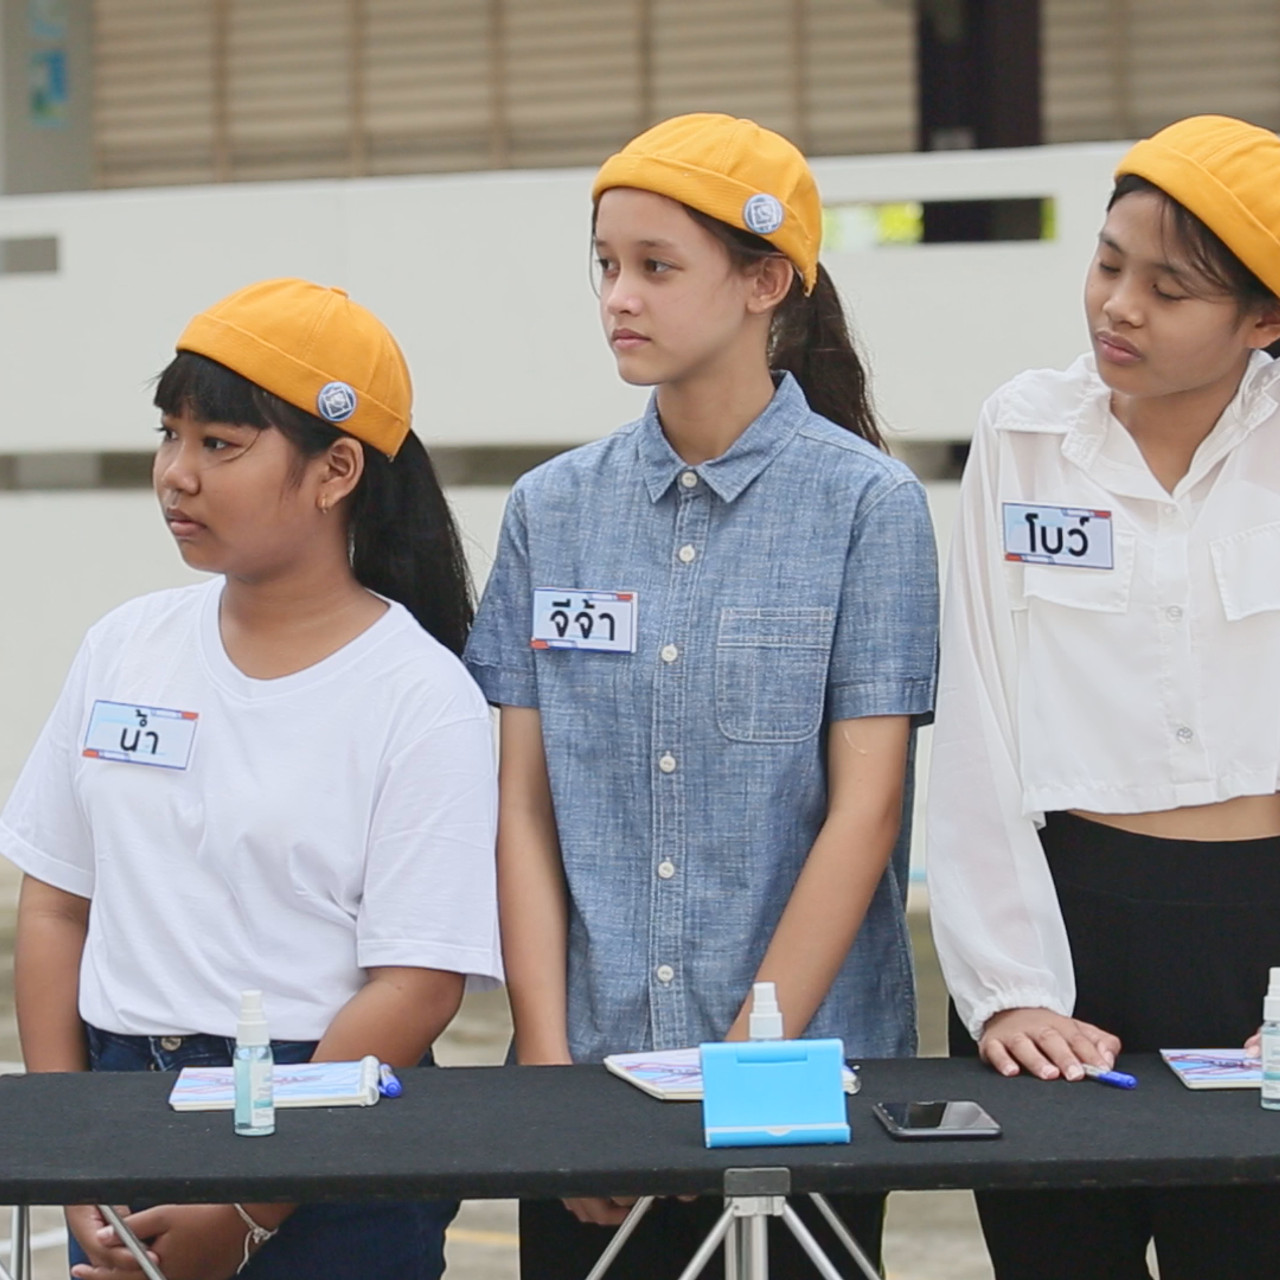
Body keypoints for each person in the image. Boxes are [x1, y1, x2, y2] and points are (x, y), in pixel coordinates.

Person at [463, 113, 938, 1278]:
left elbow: (864, 811)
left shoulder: (866, 508)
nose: (618, 297)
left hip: (799, 1083)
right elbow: (523, 804)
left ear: (764, 282)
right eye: (605, 264)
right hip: (591, 1076)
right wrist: (545, 1069)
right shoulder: (550, 510)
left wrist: (736, 1072)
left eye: (656, 267)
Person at [1, 278, 502, 1280]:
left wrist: (248, 1204)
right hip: (121, 1101)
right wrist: (69, 1146)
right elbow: (54, 907)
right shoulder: (124, 647)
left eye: (219, 444)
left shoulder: (420, 694)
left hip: (327, 1132)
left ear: (337, 469)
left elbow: (415, 985)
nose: (175, 474)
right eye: (169, 435)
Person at [927, 114, 1280, 1278]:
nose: (1116, 306)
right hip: (1063, 921)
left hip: (1257, 944)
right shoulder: (1023, 433)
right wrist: (1005, 991)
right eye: (1107, 262)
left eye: (1167, 290)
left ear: (1261, 321)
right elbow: (976, 714)